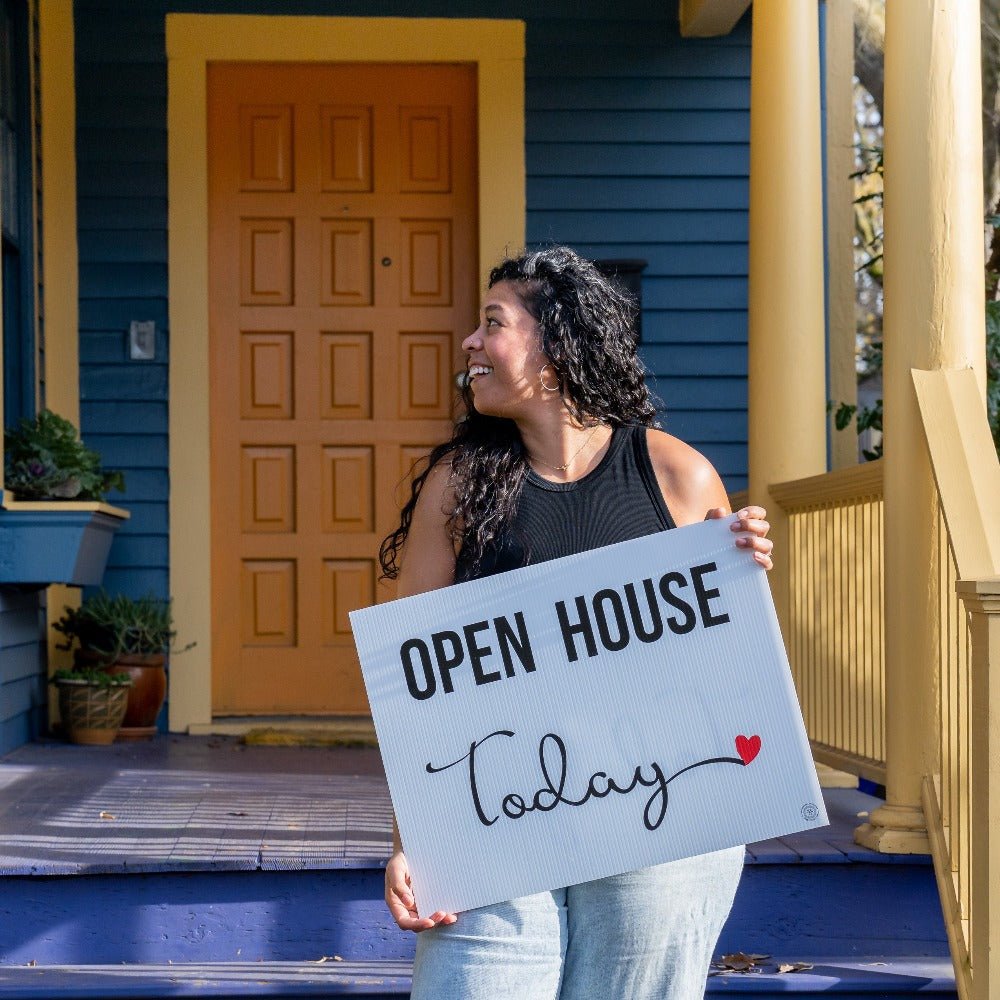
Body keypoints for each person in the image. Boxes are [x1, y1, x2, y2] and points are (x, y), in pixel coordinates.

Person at [377, 246, 773, 1000]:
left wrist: (745, 570)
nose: (469, 341)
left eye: (493, 323)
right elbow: (415, 682)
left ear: (556, 348)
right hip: (494, 813)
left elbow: (724, 664)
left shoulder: (677, 476)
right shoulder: (457, 487)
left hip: (661, 819)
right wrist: (411, 838)